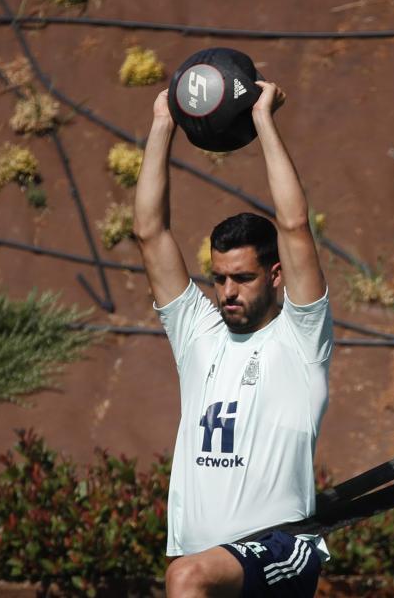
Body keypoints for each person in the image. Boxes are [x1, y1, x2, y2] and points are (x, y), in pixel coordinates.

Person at [134, 80, 332, 597]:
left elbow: (292, 225)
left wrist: (263, 118)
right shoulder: (198, 334)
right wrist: (162, 124)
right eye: (219, 278)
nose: (226, 291)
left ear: (275, 276)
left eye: (242, 278)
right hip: (205, 555)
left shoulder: (300, 337)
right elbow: (150, 232)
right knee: (188, 571)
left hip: (281, 546)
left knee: (185, 577)